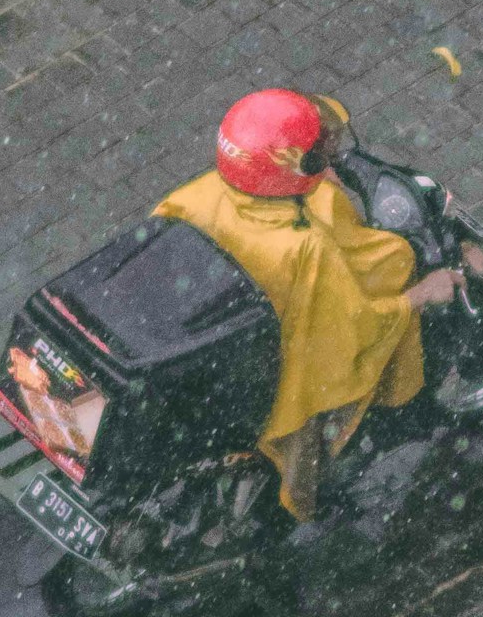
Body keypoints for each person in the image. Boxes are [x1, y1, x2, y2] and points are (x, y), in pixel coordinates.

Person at [153, 90, 461, 523]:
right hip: (272, 375)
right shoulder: (306, 249)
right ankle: (316, 486)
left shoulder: (195, 197)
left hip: (204, 344)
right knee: (319, 408)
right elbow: (356, 326)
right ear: (306, 166)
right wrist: (421, 294)